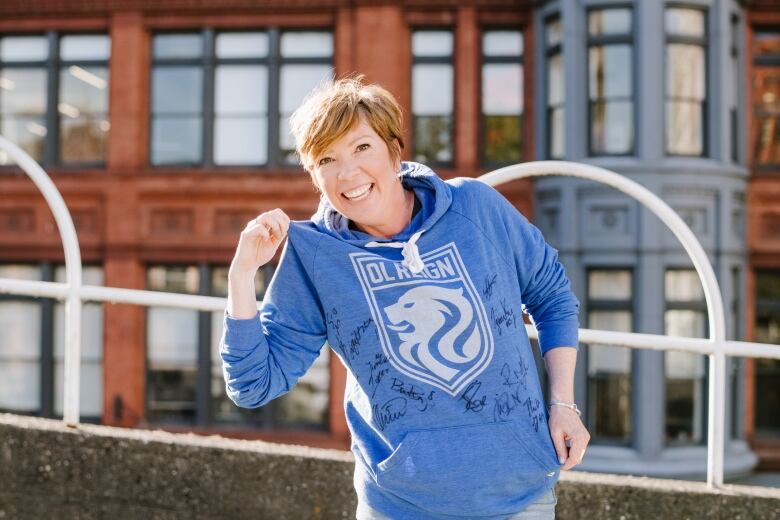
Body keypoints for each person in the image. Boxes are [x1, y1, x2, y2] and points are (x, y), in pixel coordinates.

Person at [221, 76, 590, 520]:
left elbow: (552, 296)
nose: (348, 173)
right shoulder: (314, 254)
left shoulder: (474, 206)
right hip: (401, 505)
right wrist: (242, 275)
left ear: (394, 150)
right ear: (314, 176)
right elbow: (253, 384)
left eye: (362, 148)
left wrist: (564, 404)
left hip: (518, 495)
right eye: (327, 159)